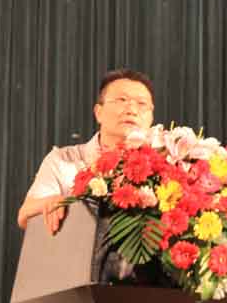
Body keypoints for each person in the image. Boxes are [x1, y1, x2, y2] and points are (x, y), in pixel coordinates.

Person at [17, 68, 155, 234]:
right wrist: (53, 202)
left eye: (142, 104)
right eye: (122, 100)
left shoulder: (165, 165)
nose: (132, 110)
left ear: (151, 118)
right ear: (98, 112)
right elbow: (25, 214)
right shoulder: (63, 160)